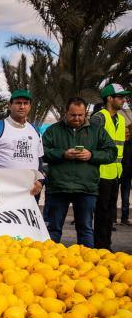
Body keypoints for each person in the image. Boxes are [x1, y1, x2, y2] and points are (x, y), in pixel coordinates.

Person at [43, 97, 116, 247]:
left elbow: (111, 152)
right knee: (53, 230)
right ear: (66, 113)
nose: (77, 118)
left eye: (80, 115)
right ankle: (47, 263)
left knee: (85, 229)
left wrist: (92, 155)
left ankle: (86, 264)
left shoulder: (97, 131)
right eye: (73, 115)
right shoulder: (53, 130)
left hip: (86, 188)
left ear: (86, 113)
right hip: (58, 187)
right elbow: (41, 152)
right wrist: (62, 154)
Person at [0, 89, 45, 196]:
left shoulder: (35, 131)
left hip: (29, 191)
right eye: (18, 103)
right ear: (10, 105)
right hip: (4, 192)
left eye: (25, 103)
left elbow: (39, 160)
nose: (22, 106)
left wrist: (40, 181)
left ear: (30, 106)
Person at [90, 83, 129, 250]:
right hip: (100, 173)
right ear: (109, 98)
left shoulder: (120, 119)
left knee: (110, 214)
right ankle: (100, 246)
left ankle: (107, 244)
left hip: (115, 173)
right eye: (120, 97)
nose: (123, 100)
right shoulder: (99, 118)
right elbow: (91, 144)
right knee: (101, 213)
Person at [120, 95, 132, 225]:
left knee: (125, 197)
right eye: (125, 132)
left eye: (128, 132)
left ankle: (124, 217)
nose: (126, 134)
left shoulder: (129, 145)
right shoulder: (121, 143)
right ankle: (112, 218)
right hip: (118, 173)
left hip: (127, 174)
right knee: (112, 199)